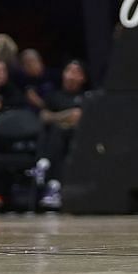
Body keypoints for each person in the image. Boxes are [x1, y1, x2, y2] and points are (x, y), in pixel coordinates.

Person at [36, 60, 90, 210]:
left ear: (83, 78)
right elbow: (44, 116)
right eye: (68, 71)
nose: (71, 75)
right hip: (57, 141)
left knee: (61, 131)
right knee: (55, 130)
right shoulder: (53, 96)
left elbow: (81, 119)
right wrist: (66, 116)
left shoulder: (87, 98)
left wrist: (59, 118)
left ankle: (44, 164)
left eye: (76, 72)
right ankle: (51, 180)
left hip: (78, 141)